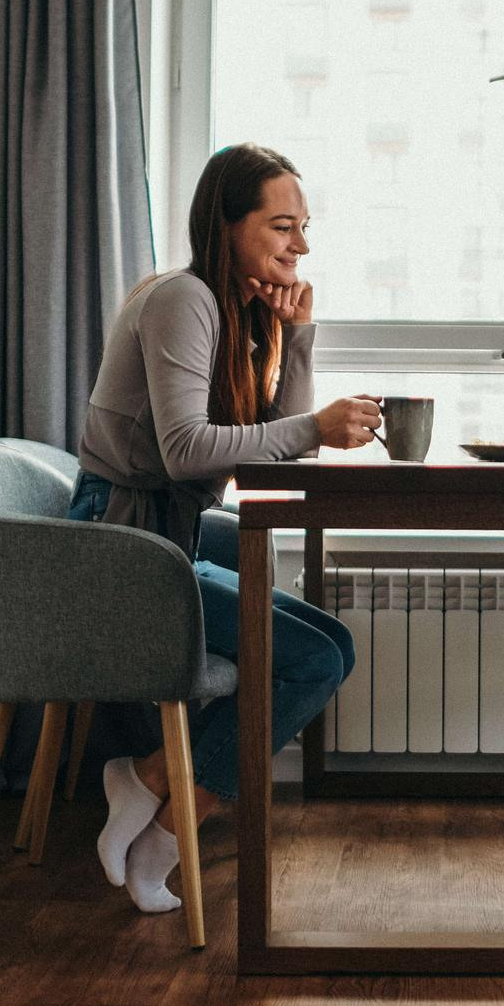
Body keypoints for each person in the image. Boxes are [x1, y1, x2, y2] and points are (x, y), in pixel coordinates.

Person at [66, 143, 383, 914]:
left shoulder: (232, 314)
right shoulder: (184, 299)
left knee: (330, 647)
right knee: (309, 660)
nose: (299, 246)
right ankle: (165, 833)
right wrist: (313, 425)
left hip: (159, 538)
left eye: (304, 228)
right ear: (227, 223)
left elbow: (269, 455)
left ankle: (142, 778)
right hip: (120, 545)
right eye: (282, 225)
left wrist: (297, 338)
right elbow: (186, 452)